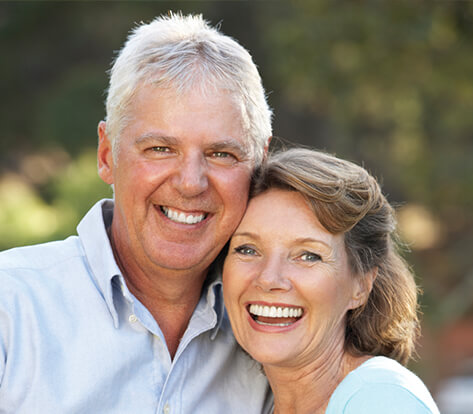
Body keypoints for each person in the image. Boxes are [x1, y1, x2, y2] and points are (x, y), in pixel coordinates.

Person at [0, 13, 274, 413]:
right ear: (107, 154)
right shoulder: (10, 308)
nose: (191, 183)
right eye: (160, 149)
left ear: (259, 165)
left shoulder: (277, 331)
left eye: (221, 154)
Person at [223, 148, 440, 414]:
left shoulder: (380, 399)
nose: (268, 278)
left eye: (308, 255)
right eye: (247, 249)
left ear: (361, 285)